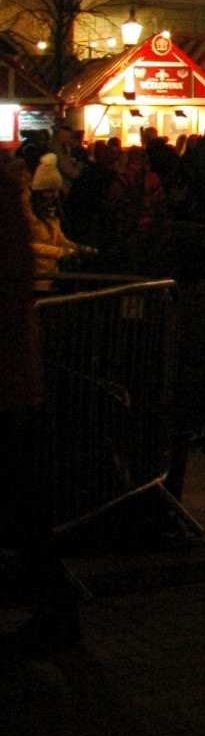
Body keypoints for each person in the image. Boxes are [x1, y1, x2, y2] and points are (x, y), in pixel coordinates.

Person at [0, 152, 83, 657]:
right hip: (15, 378)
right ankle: (56, 608)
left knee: (22, 509)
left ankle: (57, 609)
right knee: (22, 509)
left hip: (9, 382)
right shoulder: (11, 197)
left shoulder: (7, 198)